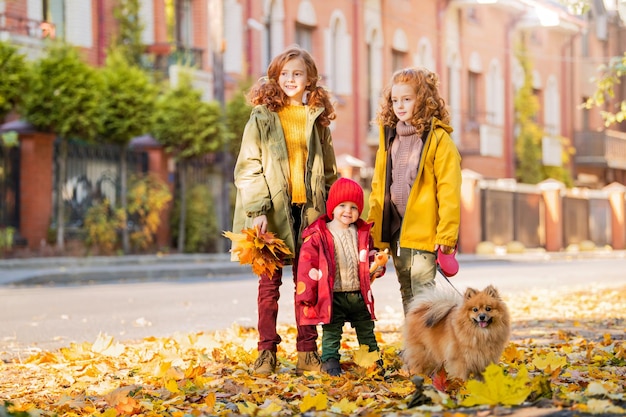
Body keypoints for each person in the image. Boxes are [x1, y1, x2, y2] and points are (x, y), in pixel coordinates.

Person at [231, 45, 338, 376]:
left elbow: (330, 171)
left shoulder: (317, 121)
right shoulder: (262, 118)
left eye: (298, 74)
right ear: (275, 78)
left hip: (308, 212)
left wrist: (333, 212)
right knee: (268, 287)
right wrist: (259, 209)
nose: (291, 80)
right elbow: (249, 167)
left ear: (309, 80)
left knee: (309, 284)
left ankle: (307, 351)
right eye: (284, 74)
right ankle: (266, 352)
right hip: (271, 213)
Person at [367, 67, 462, 315]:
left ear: (424, 100)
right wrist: (374, 231)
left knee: (423, 292)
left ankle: (429, 350)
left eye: (407, 99)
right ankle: (415, 346)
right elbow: (379, 187)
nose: (400, 105)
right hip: (396, 229)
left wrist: (447, 236)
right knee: (406, 290)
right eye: (395, 100)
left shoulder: (438, 140)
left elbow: (449, 191)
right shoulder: (389, 138)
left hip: (425, 230)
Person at [295, 178, 385, 376]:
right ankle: (330, 361)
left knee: (366, 328)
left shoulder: (361, 233)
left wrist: (377, 265)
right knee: (331, 331)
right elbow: (307, 264)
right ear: (332, 208)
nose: (348, 211)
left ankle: (372, 361)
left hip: (358, 294)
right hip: (333, 295)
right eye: (342, 205)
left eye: (354, 207)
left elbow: (371, 258)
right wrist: (307, 292)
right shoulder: (321, 234)